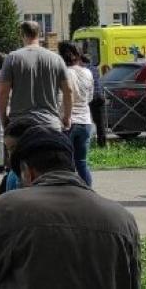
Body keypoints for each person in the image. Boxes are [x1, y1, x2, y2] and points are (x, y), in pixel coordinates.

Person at [0, 126, 141, 288]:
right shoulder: (122, 218)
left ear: (27, 172)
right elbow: (132, 281)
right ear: (71, 166)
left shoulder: (11, 208)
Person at [0, 21, 72, 131]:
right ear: (40, 34)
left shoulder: (12, 58)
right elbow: (68, 90)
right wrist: (67, 117)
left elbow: (3, 92)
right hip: (49, 124)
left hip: (21, 126)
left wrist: (4, 119)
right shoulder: (56, 59)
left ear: (22, 34)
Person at [60, 41, 95, 187]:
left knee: (66, 163)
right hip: (85, 120)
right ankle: (88, 191)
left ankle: (69, 192)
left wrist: (65, 116)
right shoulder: (87, 72)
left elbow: (62, 97)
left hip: (68, 121)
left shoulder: (65, 73)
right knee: (82, 162)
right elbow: (90, 97)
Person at [85, 55, 108, 147]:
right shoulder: (95, 69)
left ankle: (87, 142)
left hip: (91, 97)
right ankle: (102, 142)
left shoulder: (85, 70)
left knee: (88, 120)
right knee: (100, 122)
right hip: (99, 96)